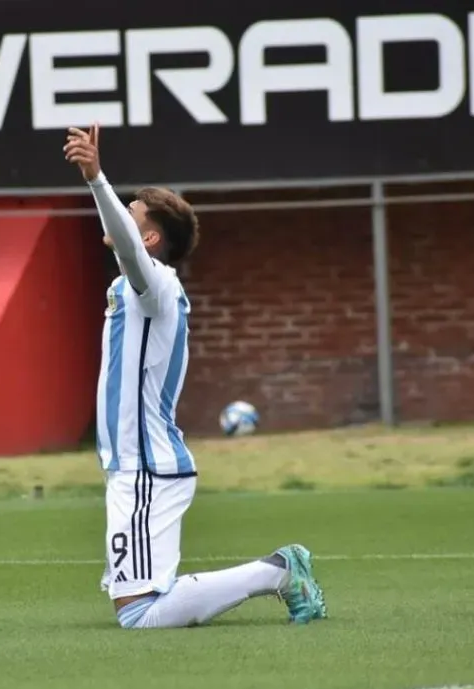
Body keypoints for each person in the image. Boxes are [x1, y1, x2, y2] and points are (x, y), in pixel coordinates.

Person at [63, 124, 327, 629]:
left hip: (146, 467)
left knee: (141, 613)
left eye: (131, 212)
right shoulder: (140, 286)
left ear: (149, 237)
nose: (120, 213)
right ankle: (272, 572)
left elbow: (124, 246)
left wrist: (96, 178)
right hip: (137, 465)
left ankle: (276, 572)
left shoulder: (153, 283)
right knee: (135, 601)